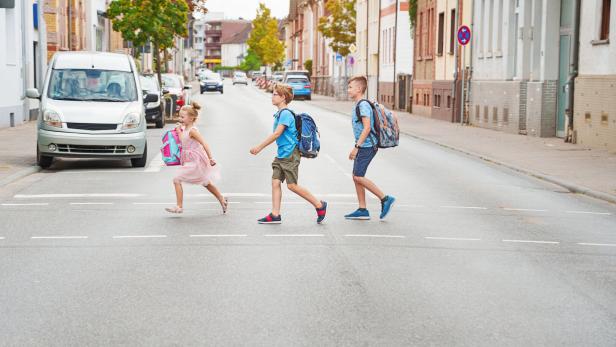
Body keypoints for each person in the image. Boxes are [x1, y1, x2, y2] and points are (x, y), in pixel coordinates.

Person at [250, 84, 327, 224]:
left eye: (275, 94)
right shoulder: (280, 113)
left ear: (283, 97)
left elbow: (277, 133)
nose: (272, 96)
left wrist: (259, 147)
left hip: (290, 154)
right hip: (282, 154)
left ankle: (319, 205)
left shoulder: (285, 114)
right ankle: (275, 214)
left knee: (292, 186)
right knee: (275, 182)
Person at [345, 76, 395, 220]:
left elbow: (367, 128)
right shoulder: (358, 104)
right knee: (356, 177)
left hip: (367, 146)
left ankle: (385, 198)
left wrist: (356, 147)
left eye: (350, 87)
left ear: (359, 89)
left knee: (358, 176)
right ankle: (362, 209)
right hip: (364, 145)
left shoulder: (363, 105)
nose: (348, 90)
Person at [165, 102, 227, 214]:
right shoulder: (185, 130)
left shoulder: (193, 131)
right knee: (206, 183)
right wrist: (179, 131)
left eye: (183, 117)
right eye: (180, 116)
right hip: (189, 160)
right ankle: (222, 199)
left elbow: (204, 143)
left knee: (176, 179)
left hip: (197, 161)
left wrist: (211, 158)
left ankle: (179, 206)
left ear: (191, 118)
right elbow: (183, 140)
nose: (180, 119)